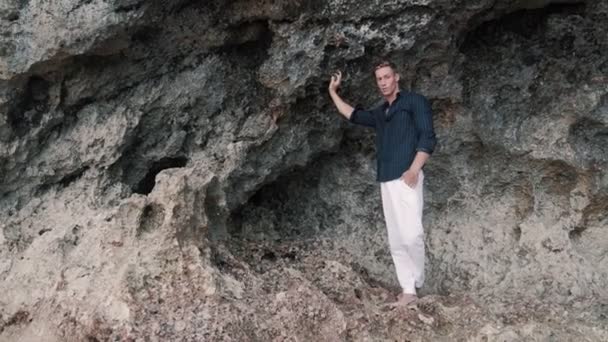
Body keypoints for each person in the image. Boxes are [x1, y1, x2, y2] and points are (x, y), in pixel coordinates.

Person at [328, 61, 437, 306]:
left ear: (396, 77)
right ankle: (408, 290)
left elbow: (428, 136)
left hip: (407, 177)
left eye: (387, 77)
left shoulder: (414, 101)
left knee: (412, 235)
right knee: (397, 239)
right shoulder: (380, 113)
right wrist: (333, 92)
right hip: (385, 179)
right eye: (379, 79)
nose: (384, 82)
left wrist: (413, 170)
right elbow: (353, 115)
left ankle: (417, 280)